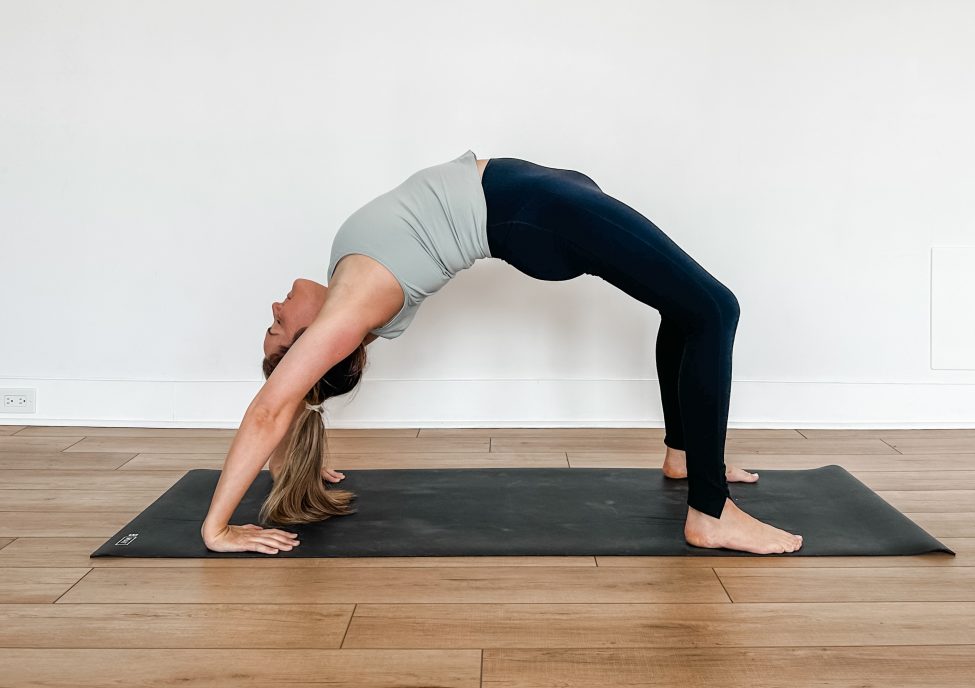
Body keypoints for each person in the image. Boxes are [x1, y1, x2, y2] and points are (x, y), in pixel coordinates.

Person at [201, 150, 803, 556]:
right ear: (313, 348)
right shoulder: (348, 311)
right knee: (714, 309)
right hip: (538, 213)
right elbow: (271, 407)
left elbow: (294, 404)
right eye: (278, 332)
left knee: (686, 305)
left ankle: (686, 456)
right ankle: (709, 512)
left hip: (542, 201)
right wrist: (217, 528)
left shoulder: (345, 282)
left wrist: (294, 464)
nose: (274, 313)